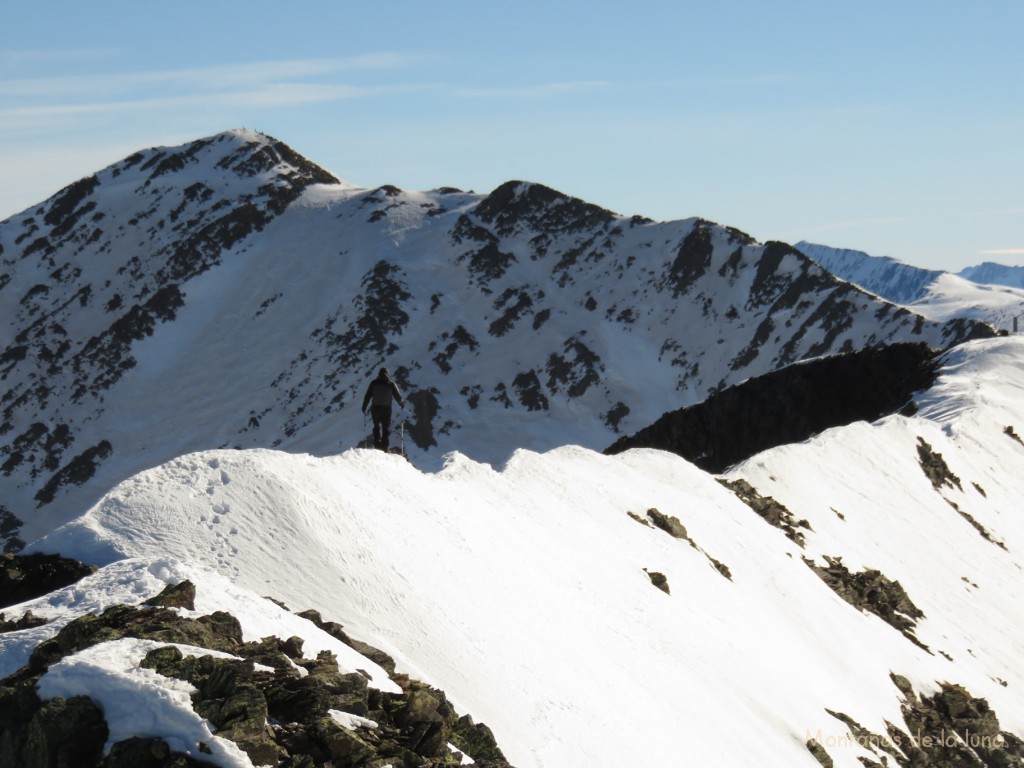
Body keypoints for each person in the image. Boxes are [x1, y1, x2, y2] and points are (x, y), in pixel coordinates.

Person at [361, 368, 405, 451]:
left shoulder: (374, 383)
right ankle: (384, 447)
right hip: (386, 409)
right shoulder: (391, 384)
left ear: (379, 374)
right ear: (387, 374)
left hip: (375, 408)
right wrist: (401, 404)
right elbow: (397, 396)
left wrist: (364, 406)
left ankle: (377, 445)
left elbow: (368, 396)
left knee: (376, 427)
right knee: (386, 428)